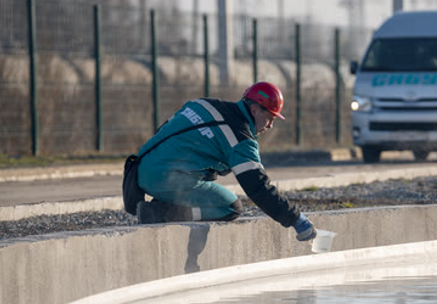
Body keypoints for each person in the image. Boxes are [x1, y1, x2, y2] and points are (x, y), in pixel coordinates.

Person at [135, 81, 316, 242]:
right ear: (255, 110)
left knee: (204, 181)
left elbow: (164, 129)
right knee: (230, 207)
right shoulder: (241, 139)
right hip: (165, 179)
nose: (270, 126)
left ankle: (164, 199)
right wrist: (295, 219)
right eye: (270, 118)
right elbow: (259, 188)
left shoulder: (203, 104)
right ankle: (158, 213)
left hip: (141, 165)